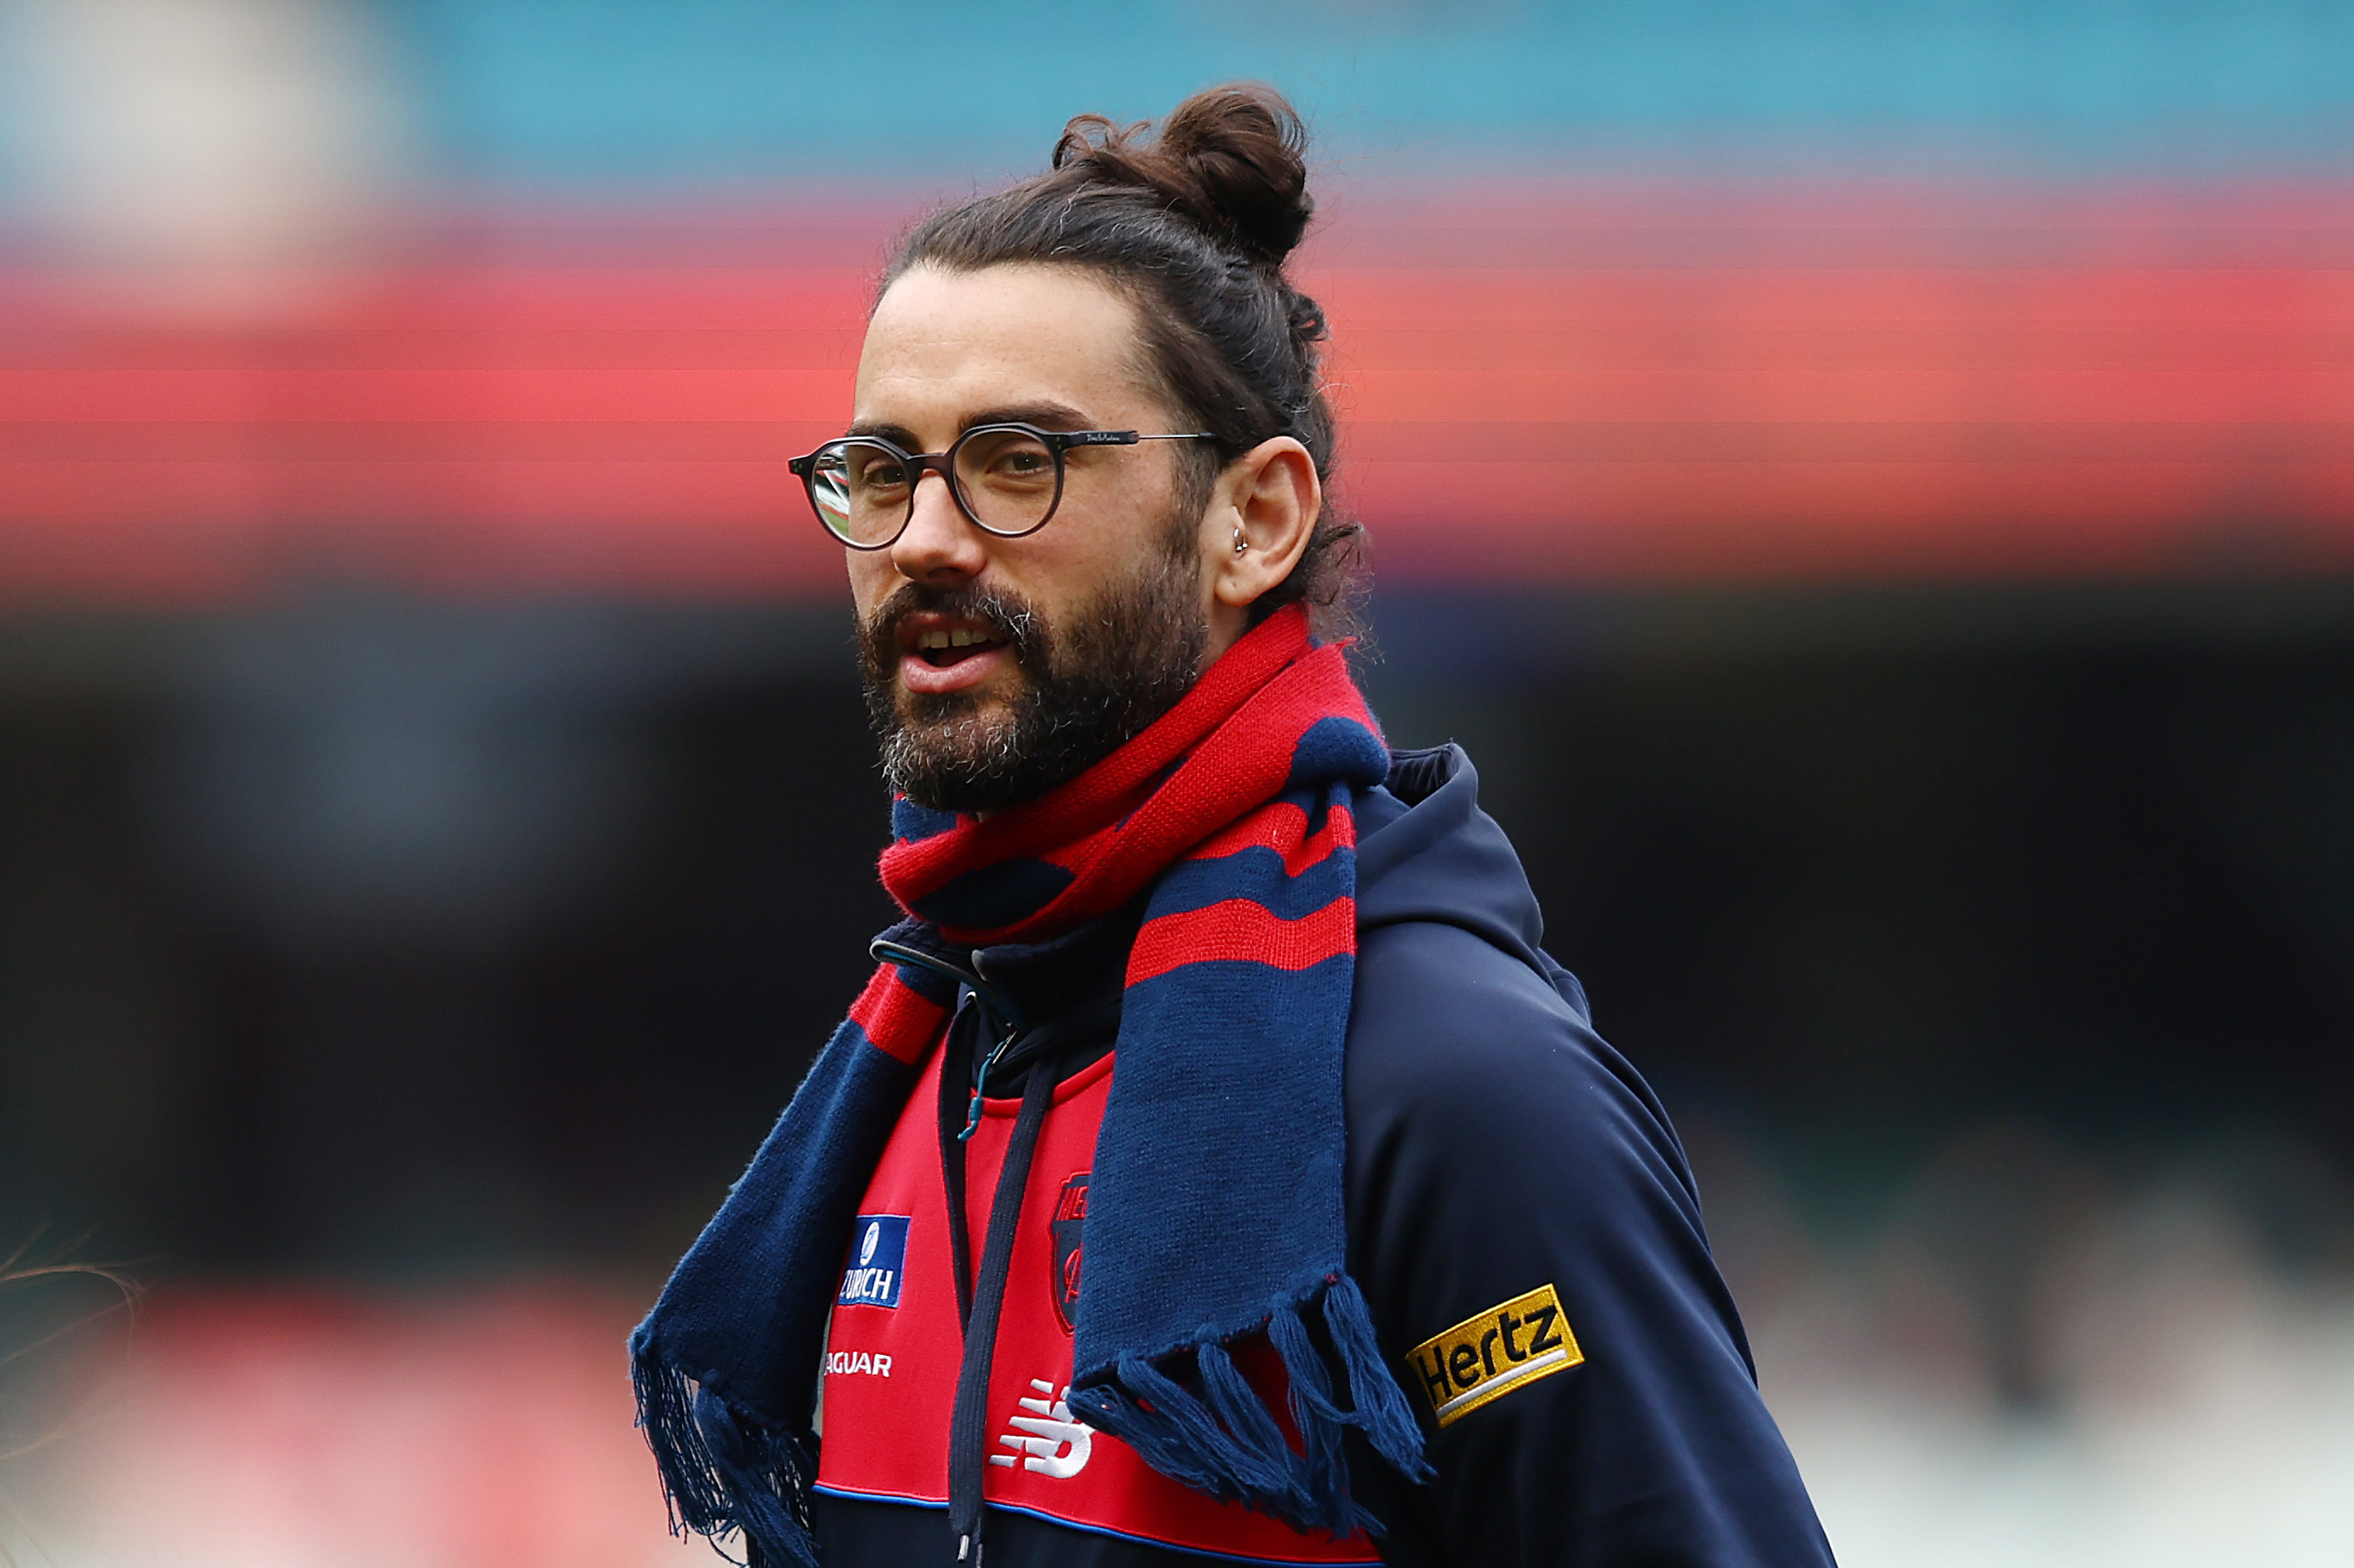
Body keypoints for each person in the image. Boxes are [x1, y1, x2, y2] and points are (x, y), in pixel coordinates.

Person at [630, 85, 1836, 1568]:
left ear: (1254, 519)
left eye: (1023, 461)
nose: (926, 539)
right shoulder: (930, 1046)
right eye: (881, 473)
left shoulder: (1459, 1092)